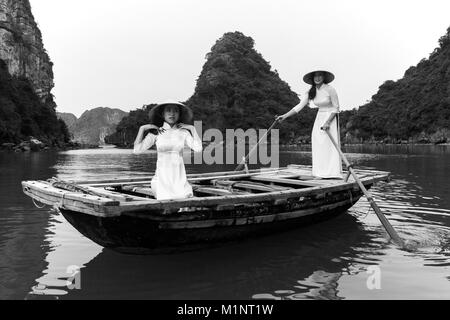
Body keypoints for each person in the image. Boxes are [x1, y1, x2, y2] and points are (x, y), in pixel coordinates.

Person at [276, 70, 342, 178]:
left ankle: (331, 172)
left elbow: (336, 107)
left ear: (324, 77)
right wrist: (284, 116)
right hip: (319, 117)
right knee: (318, 143)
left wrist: (328, 122)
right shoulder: (311, 91)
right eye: (315, 76)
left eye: (320, 75)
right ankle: (319, 172)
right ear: (312, 79)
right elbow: (299, 106)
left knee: (328, 144)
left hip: (330, 118)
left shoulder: (330, 89)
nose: (317, 78)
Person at [133, 100, 202, 200]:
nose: (172, 113)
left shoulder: (183, 132)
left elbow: (198, 148)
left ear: (179, 114)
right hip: (161, 180)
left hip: (179, 179)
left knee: (183, 197)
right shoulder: (157, 132)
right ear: (162, 114)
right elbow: (137, 150)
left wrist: (192, 129)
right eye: (168, 110)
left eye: (175, 111)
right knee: (166, 199)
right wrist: (142, 128)